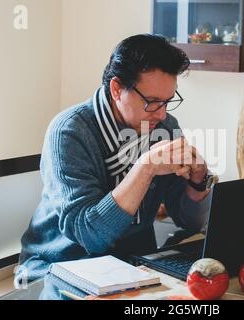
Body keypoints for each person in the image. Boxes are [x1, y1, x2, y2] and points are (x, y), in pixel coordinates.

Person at [15, 34, 214, 285]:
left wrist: (197, 183)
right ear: (117, 88)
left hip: (132, 265)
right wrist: (145, 167)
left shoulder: (164, 125)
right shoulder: (70, 132)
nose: (162, 113)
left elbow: (188, 221)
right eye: (152, 102)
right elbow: (89, 237)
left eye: (167, 101)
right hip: (62, 266)